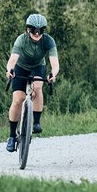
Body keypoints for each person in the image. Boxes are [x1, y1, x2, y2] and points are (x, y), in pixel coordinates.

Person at [5, 13, 60, 152]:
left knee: (38, 87)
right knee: (18, 100)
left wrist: (53, 74)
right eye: (34, 30)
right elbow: (12, 60)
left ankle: (36, 122)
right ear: (27, 30)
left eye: (40, 31)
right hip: (21, 67)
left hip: (38, 67)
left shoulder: (48, 41)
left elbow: (55, 63)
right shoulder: (21, 40)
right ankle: (12, 136)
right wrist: (10, 70)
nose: (37, 34)